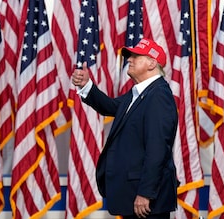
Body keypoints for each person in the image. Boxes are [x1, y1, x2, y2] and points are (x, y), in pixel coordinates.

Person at [72, 38, 178, 219]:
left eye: (136, 56)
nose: (129, 59)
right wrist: (87, 87)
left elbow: (157, 149)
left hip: (146, 200)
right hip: (131, 195)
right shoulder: (140, 93)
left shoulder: (159, 95)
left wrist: (146, 193)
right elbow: (111, 107)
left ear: (152, 63)